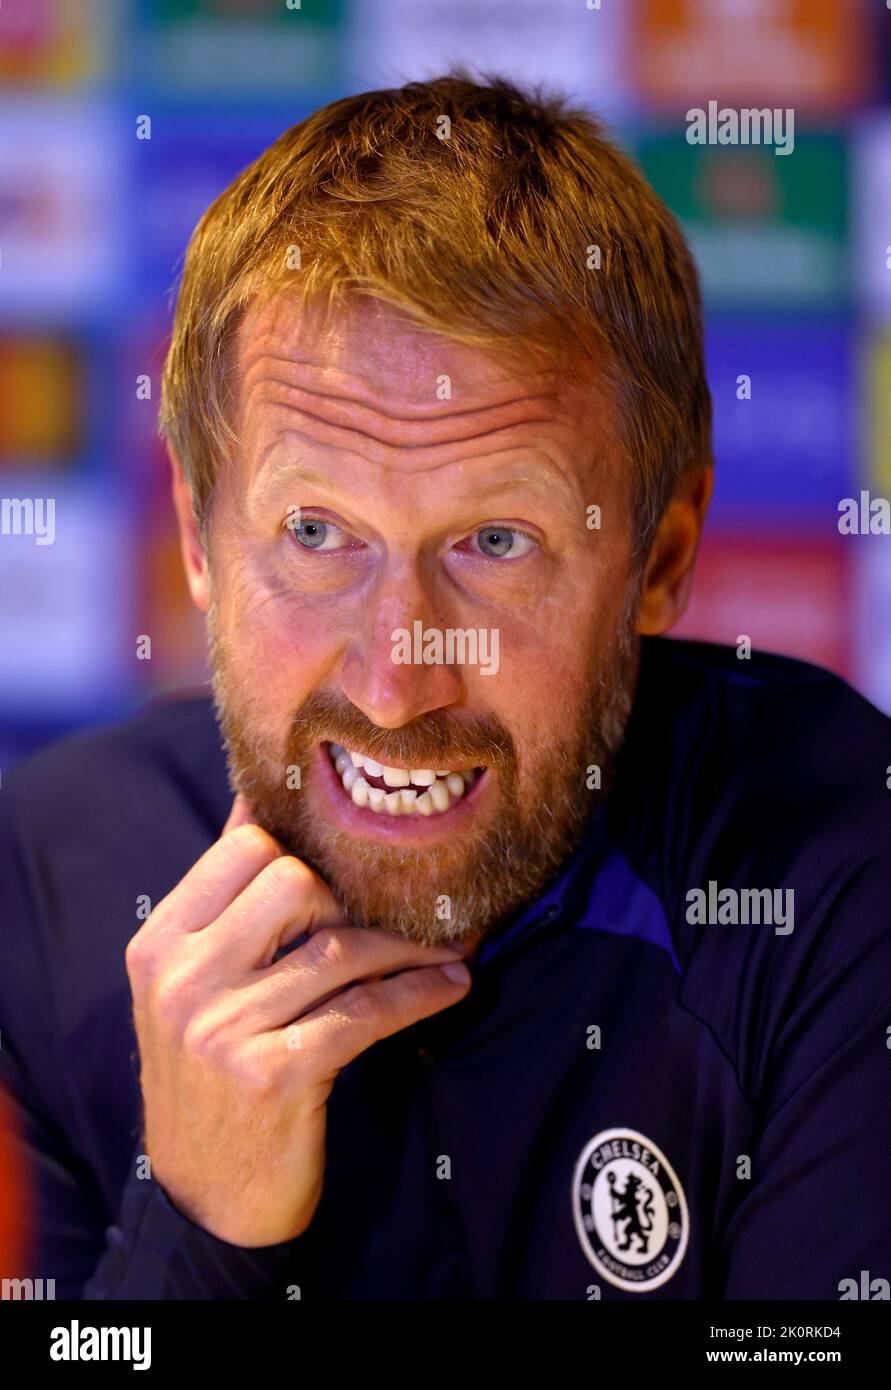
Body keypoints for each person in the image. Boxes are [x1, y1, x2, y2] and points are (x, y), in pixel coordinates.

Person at [1, 73, 889, 1301]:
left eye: (496, 544)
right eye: (317, 532)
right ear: (201, 544)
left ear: (660, 557)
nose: (397, 681)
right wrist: (197, 1229)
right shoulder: (37, 885)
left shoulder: (837, 866)